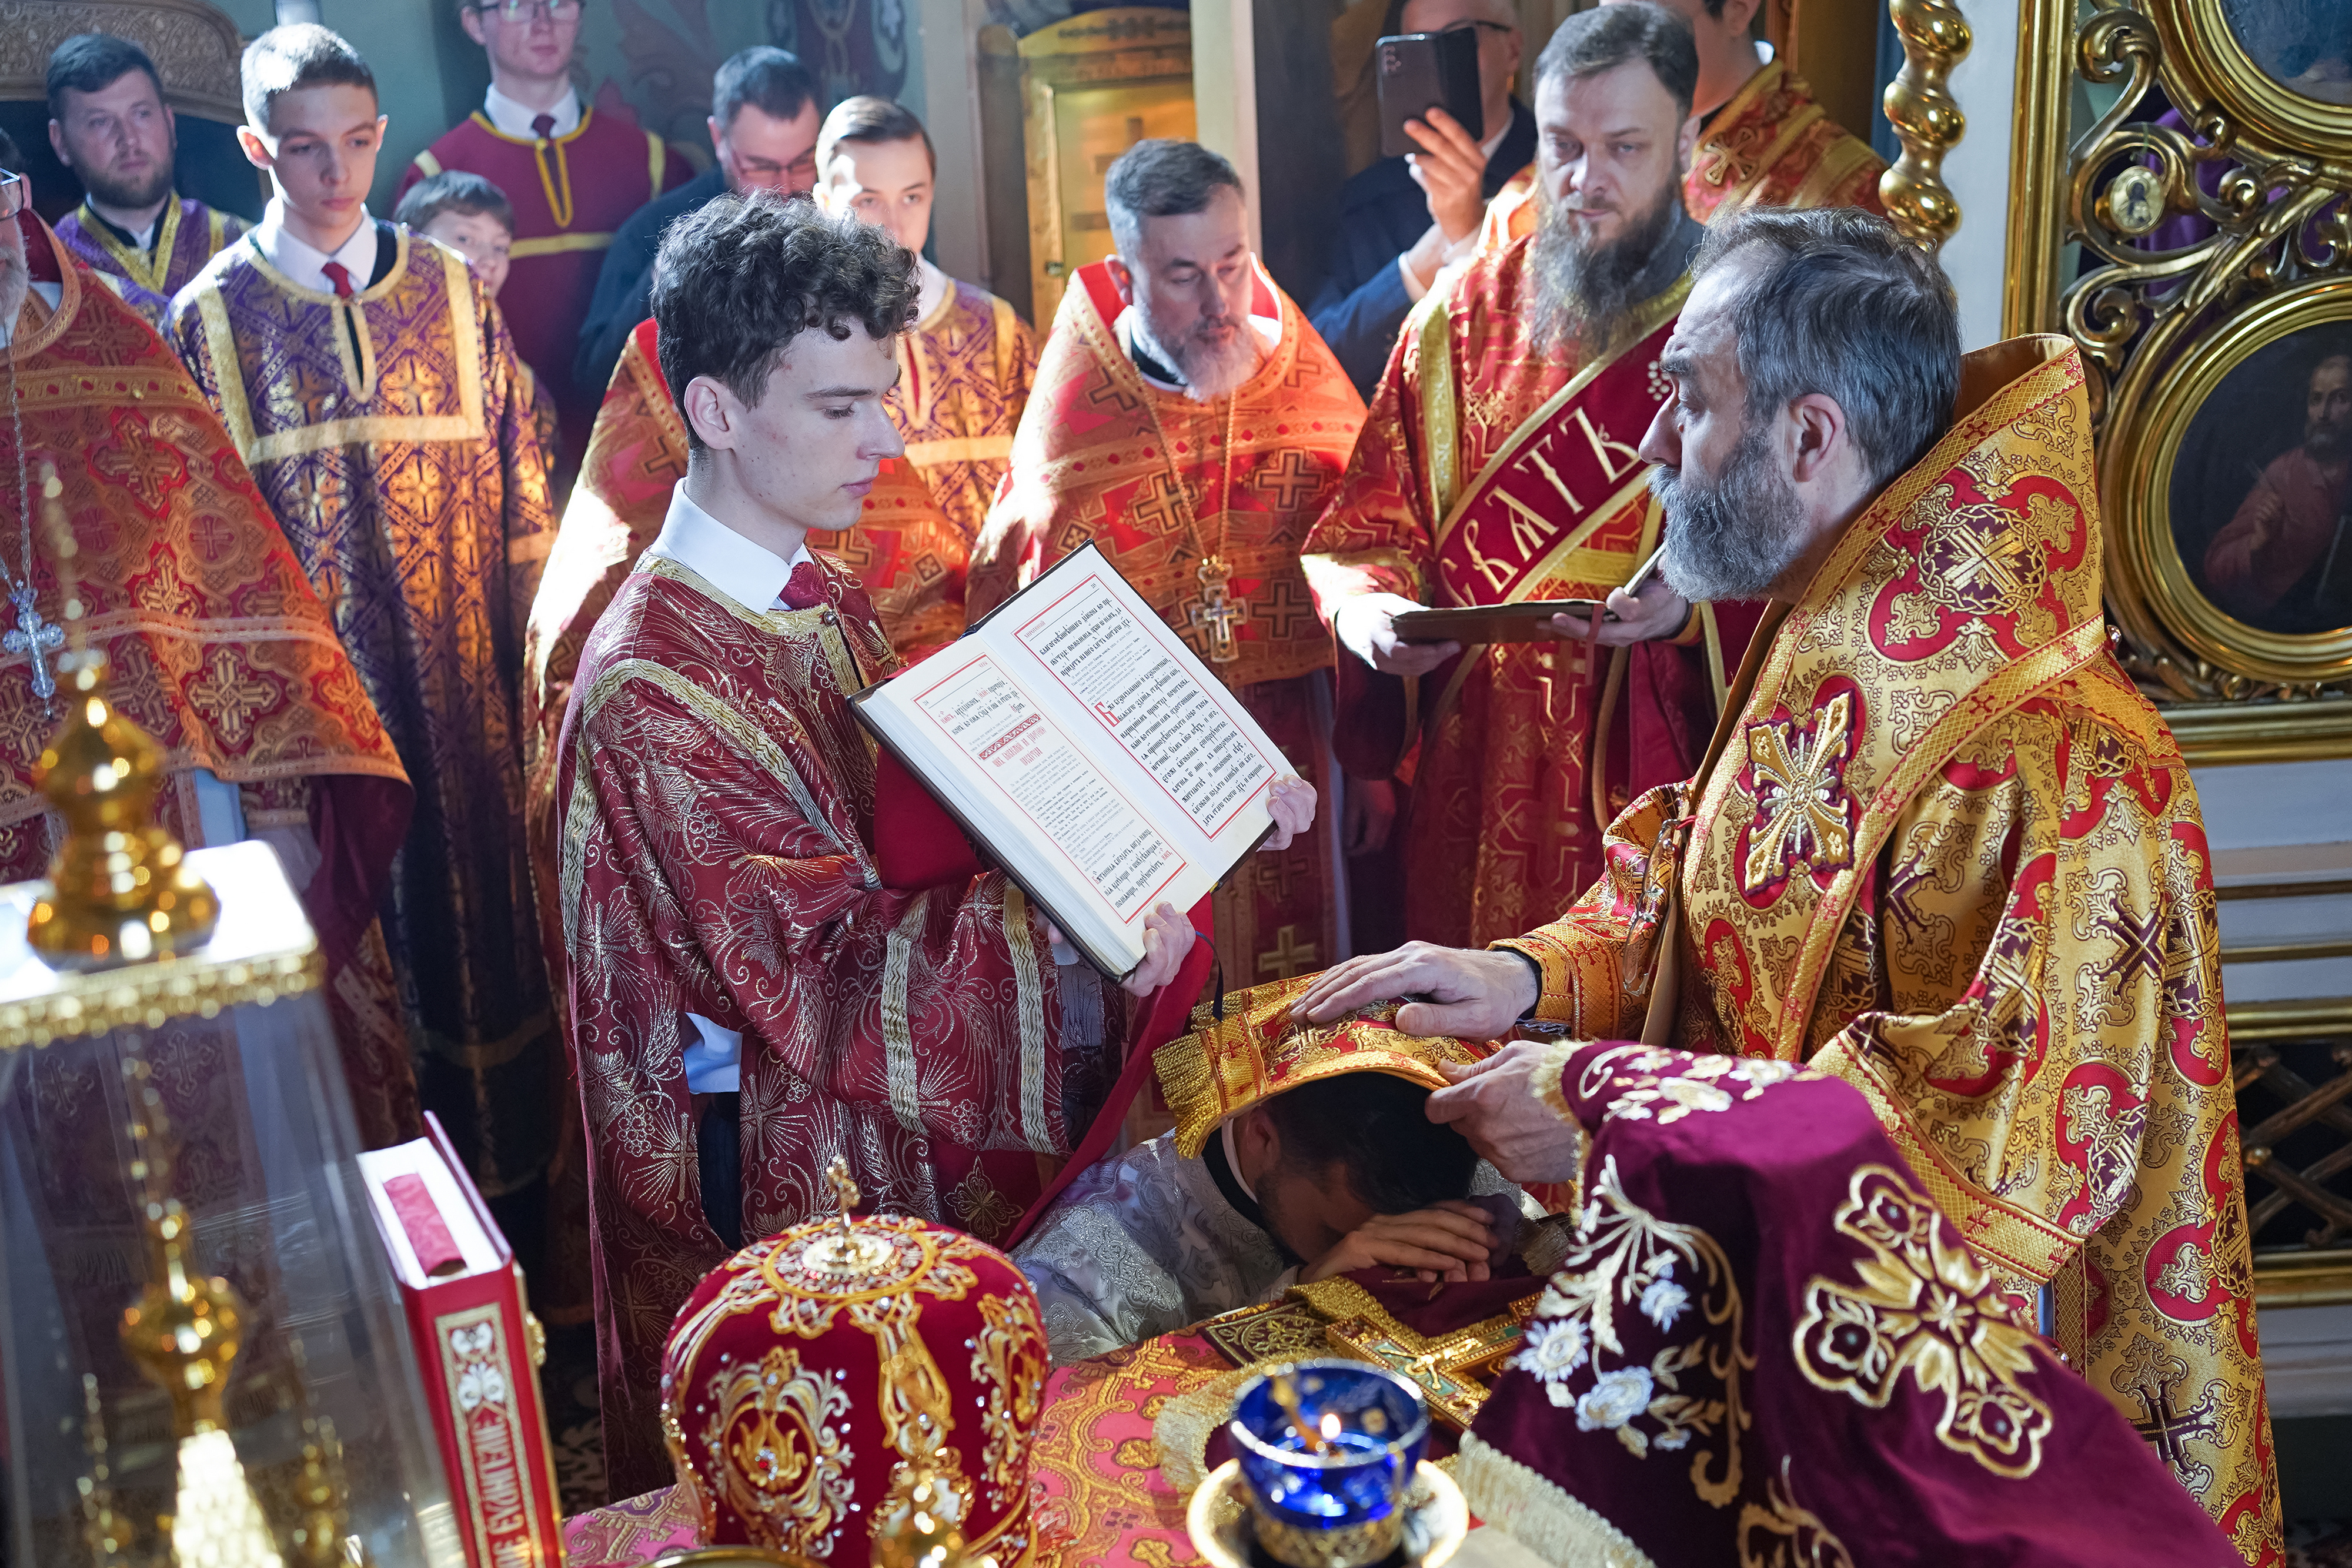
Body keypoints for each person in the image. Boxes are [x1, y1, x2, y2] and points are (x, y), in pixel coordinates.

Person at [1295, 206, 2281, 1559]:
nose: (1647, 450)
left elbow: (1976, 1157)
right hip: (1738, 1332)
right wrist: (1522, 974)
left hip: (1931, 1435)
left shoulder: (2059, 767)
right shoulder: (1843, 619)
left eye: (1684, 400)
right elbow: (1710, 881)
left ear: (1810, 439)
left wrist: (1605, 1120)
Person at [552, 191, 1314, 1492]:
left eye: (881, 395)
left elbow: (913, 824)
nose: (886, 440)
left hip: (869, 1129)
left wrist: (1184, 786)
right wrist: (1082, 916)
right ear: (717, 412)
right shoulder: (646, 685)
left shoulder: (817, 591)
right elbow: (821, 967)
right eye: (839, 406)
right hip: (769, 1191)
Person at [169, 25, 560, 1202]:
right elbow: (207, 564)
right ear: (255, 148)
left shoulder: (449, 290)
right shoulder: (212, 319)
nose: (335, 176)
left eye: (354, 144)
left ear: (382, 136)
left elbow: (526, 494)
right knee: (367, 999)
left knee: (496, 972)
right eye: (303, 150)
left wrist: (536, 685)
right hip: (325, 746)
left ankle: (526, 1284)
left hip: (472, 717)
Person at [1302, 3, 1758, 951]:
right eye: (1563, 146)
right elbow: (1367, 529)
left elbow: (1815, 562)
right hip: (1468, 773)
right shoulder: (1464, 315)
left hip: (1647, 773)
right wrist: (1368, 613)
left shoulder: (1754, 322)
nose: (1586, 182)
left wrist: (1691, 609)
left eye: (1625, 148)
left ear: (1686, 144)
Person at [0, 133, 415, 1145]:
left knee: (233, 1127)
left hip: (182, 805)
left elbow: (237, 591)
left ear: (13, 194)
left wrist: (279, 799)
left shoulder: (120, 359)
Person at [1455, 1041, 2251, 1564]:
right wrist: (1533, 972)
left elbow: (2018, 1060)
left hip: (1900, 1277)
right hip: (1729, 1237)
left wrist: (1629, 1101)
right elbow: (1693, 887)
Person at [973, 141, 1367, 993]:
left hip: (1298, 742)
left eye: (1233, 263)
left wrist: (1378, 762)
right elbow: (1020, 600)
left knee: (1305, 993)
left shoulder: (1305, 389)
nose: (1220, 301)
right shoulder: (1076, 429)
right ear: (1126, 270)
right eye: (1184, 276)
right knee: (1174, 1007)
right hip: (1139, 771)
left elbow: (1372, 553)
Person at [1015, 1014, 1510, 1365]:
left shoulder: (1462, 1159)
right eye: (1333, 1232)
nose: (1388, 1264)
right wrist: (1299, 1308)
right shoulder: (1079, 1270)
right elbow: (1088, 1456)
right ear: (1262, 1134)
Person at [395, 0, 693, 479]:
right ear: (474, 22)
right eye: (517, 5)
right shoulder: (435, 173)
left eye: (559, 3)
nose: (543, 20)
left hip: (641, 452)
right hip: (506, 456)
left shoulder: (655, 163)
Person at [814, 96, 1038, 547]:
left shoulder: (997, 329)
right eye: (868, 200)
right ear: (823, 203)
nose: (895, 227)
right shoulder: (799, 339)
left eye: (912, 197)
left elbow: (1044, 483)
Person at [1308, 0, 1535, 400]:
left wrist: (1475, 235)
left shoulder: (1560, 169)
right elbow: (1320, 357)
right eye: (1417, 47)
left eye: (1459, 41)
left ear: (1512, 50)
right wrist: (1416, 268)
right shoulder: (1368, 199)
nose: (1437, 64)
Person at [573, 46, 818, 406]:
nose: (784, 187)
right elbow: (594, 382)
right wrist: (660, 283)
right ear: (719, 139)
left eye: (802, 162)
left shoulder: (840, 214)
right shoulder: (652, 231)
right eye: (761, 165)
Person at [1609, 0, 1886, 222]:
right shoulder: (1603, 142)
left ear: (1737, 10)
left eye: (1652, 31)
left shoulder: (1856, 192)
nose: (1626, 62)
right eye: (1612, 30)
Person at [45, 34, 249, 329]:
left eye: (141, 114)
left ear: (169, 122)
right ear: (61, 142)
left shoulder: (243, 246)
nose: (128, 139)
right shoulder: (51, 271)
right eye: (100, 121)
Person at [393, 168, 562, 457]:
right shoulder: (384, 361)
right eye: (466, 239)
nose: (490, 260)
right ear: (411, 242)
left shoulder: (518, 383)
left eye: (501, 247)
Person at [2203, 350, 2352, 631]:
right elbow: (2216, 564)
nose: (2324, 414)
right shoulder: (2284, 474)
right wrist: (2257, 543)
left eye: (2341, 398)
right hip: (2287, 621)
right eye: (2316, 400)